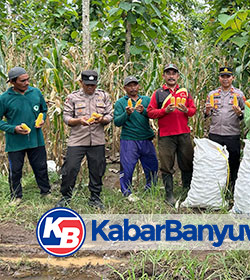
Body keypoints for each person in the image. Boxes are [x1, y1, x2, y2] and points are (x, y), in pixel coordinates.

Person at [56, 70, 113, 209]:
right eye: (87, 84)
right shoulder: (73, 97)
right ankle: (66, 196)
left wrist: (102, 119)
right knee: (70, 168)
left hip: (97, 139)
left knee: (97, 169)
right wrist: (78, 121)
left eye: (93, 85)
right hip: (77, 139)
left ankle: (95, 197)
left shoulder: (103, 96)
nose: (90, 88)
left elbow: (110, 114)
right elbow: (66, 117)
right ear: (81, 83)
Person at [0, 67, 51, 205]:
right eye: (23, 81)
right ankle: (16, 196)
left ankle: (45, 192)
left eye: (28, 79)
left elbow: (43, 110)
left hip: (36, 139)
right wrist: (13, 128)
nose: (27, 82)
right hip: (15, 142)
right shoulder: (4, 98)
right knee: (15, 170)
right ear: (12, 82)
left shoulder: (36, 93)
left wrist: (42, 119)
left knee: (41, 167)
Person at [147, 63, 196, 205]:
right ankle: (169, 194)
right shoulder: (158, 93)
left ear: (178, 76)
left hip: (184, 134)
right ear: (164, 76)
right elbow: (150, 112)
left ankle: (187, 190)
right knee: (166, 164)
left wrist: (186, 110)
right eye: (168, 73)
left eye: (173, 73)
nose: (171, 76)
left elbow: (193, 110)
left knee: (187, 162)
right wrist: (164, 111)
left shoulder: (184, 92)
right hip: (166, 135)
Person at [114, 76, 158, 202]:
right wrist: (126, 114)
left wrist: (144, 111)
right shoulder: (120, 103)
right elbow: (117, 122)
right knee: (127, 168)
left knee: (152, 166)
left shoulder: (146, 100)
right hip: (129, 140)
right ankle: (127, 192)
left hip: (146, 138)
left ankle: (151, 188)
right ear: (125, 88)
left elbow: (153, 115)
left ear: (139, 86)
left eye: (135, 85)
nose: (133, 88)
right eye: (129, 85)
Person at [204, 67, 245, 187]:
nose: (225, 79)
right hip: (215, 133)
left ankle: (232, 188)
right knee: (216, 162)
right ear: (219, 78)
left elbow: (245, 113)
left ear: (233, 78)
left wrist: (239, 113)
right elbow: (207, 115)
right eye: (223, 76)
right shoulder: (212, 94)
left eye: (228, 76)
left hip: (232, 134)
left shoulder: (239, 94)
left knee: (233, 162)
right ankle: (217, 188)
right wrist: (207, 111)